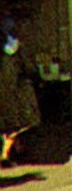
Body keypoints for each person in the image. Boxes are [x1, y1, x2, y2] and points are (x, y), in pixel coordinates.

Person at [0, 17, 39, 168]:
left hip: (7, 90)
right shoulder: (12, 50)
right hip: (12, 90)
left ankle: (13, 150)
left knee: (10, 124)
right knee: (15, 122)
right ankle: (7, 153)